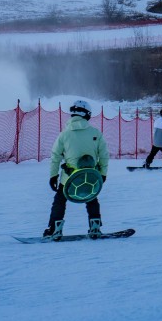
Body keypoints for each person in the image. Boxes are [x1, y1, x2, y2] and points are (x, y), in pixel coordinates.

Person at [44, 100, 109, 240]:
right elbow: (104, 155)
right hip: (91, 177)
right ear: (87, 114)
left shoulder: (64, 135)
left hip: (70, 179)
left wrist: (53, 176)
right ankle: (95, 226)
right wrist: (103, 174)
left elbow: (55, 156)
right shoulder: (96, 133)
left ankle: (54, 229)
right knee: (92, 199)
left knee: (59, 200)